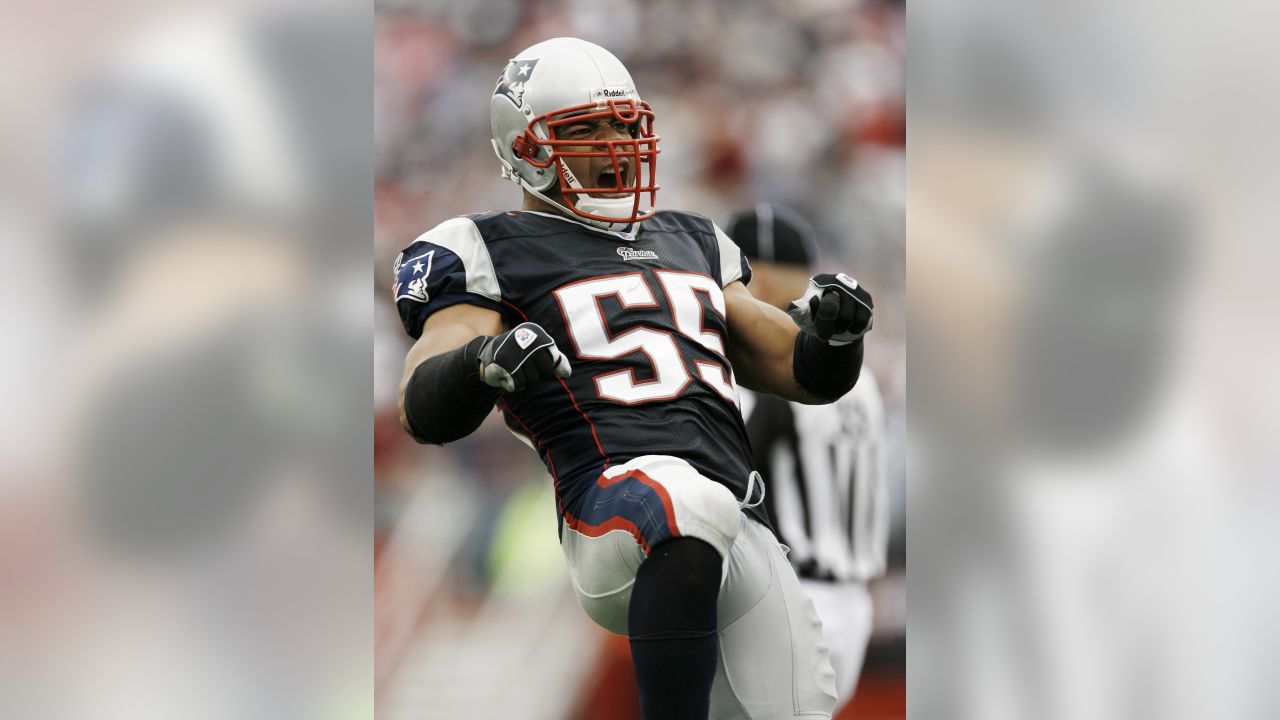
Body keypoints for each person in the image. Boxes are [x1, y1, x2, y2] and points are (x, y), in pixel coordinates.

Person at [393, 37, 874, 720]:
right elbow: (422, 405)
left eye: (623, 123)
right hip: (611, 513)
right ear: (526, 150)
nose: (615, 142)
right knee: (682, 499)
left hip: (737, 519)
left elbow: (799, 369)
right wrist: (483, 362)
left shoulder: (694, 239)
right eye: (586, 129)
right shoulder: (487, 247)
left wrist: (836, 334)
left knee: (799, 706)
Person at [726, 204, 890, 715]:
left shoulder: (779, 372)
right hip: (853, 602)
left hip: (791, 600)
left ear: (763, 276)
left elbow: (732, 473)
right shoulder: (857, 374)